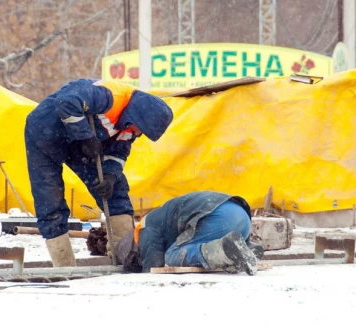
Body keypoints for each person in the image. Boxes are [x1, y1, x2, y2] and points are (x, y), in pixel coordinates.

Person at [24, 79, 173, 267]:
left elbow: (118, 153)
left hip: (81, 144)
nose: (139, 134)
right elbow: (66, 101)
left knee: (116, 192)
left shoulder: (129, 127)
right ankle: (64, 266)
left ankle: (125, 258)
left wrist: (111, 176)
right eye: (140, 129)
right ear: (137, 117)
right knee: (49, 200)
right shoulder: (109, 96)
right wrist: (84, 136)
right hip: (44, 134)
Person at [114, 191, 265, 275]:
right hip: (240, 215)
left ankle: (225, 250)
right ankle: (247, 249)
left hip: (218, 217)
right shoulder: (159, 217)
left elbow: (155, 267)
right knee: (194, 245)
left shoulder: (144, 229)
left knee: (172, 256)